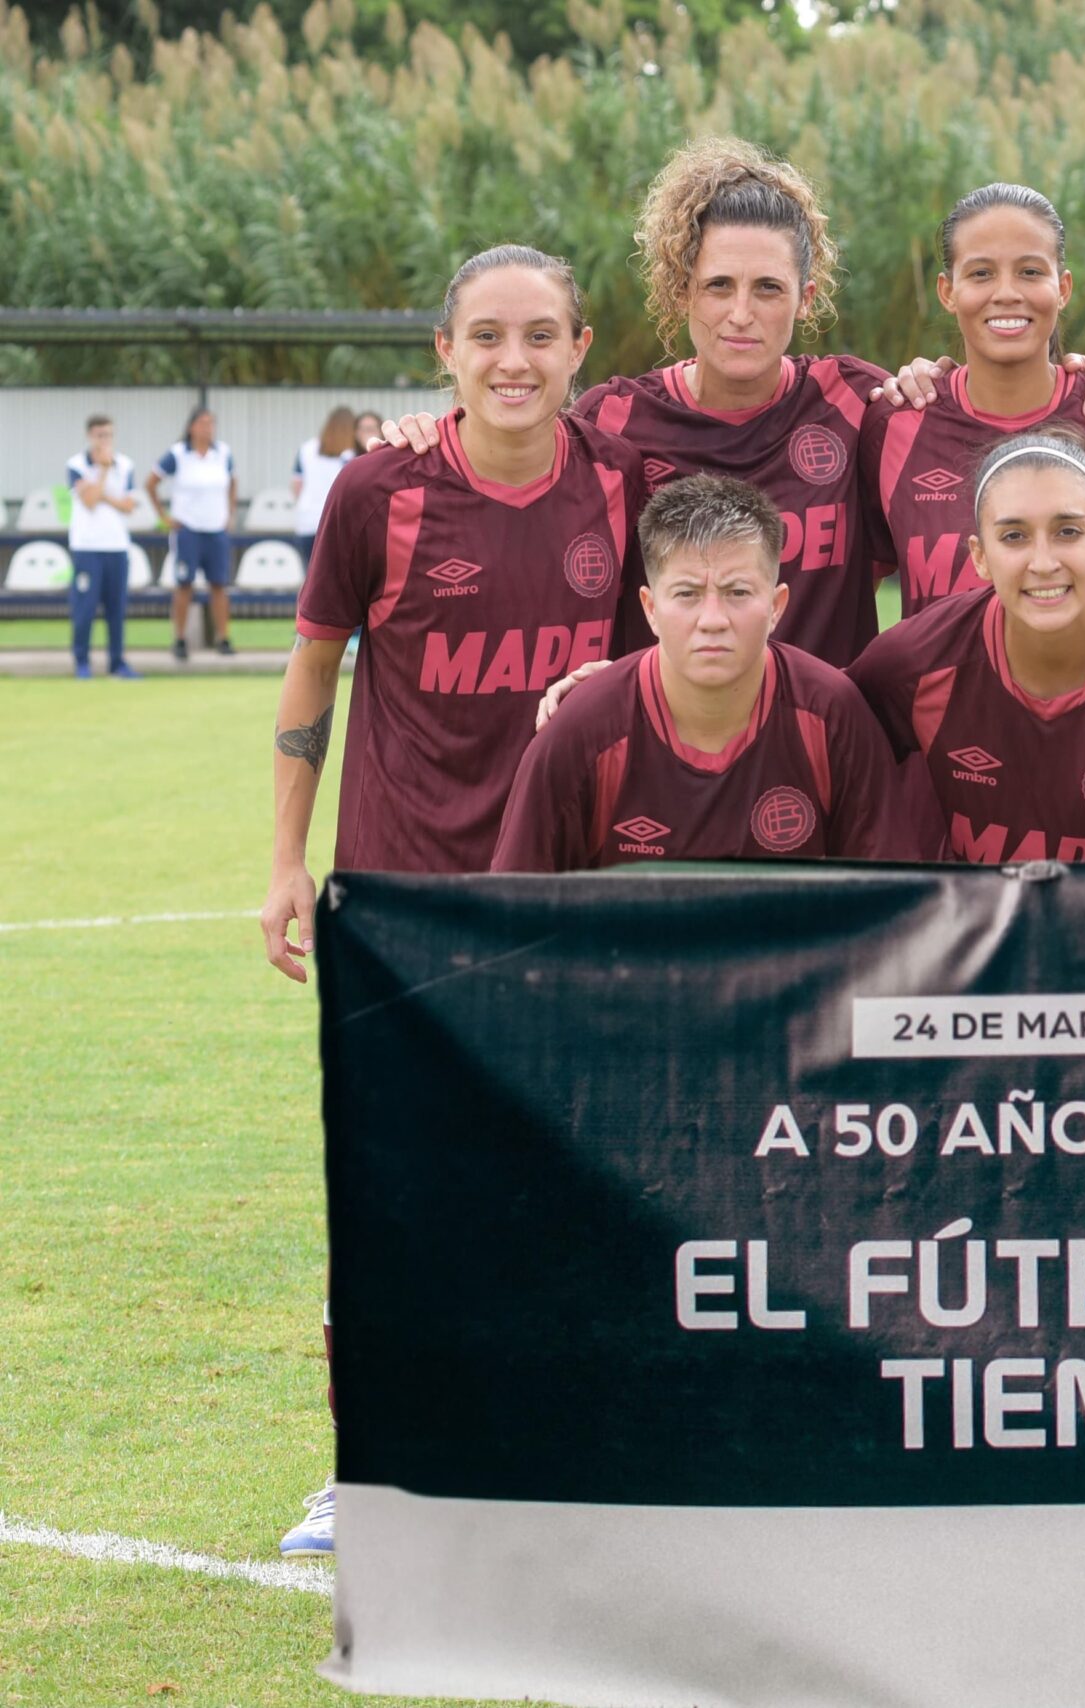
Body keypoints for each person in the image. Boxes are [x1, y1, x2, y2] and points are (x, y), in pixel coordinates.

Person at [257, 243, 647, 1560]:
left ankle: (561, 1446)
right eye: (487, 336)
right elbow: (310, 684)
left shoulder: (622, 483)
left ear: (581, 348)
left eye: (540, 334)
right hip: (402, 892)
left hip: (564, 897)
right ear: (445, 352)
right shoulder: (380, 490)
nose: (514, 360)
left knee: (570, 1179)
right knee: (388, 1187)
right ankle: (362, 1467)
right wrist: (280, 865)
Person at [386, 139, 1085, 670]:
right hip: (666, 775)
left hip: (828, 772)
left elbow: (982, 415)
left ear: (806, 297)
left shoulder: (864, 403)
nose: (741, 314)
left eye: (768, 289)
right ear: (680, 290)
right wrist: (441, 427)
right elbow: (512, 474)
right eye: (718, 286)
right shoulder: (613, 421)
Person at [849, 428, 1085, 862]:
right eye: (1014, 536)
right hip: (977, 924)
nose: (1044, 563)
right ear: (979, 556)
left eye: (1068, 531)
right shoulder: (911, 662)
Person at [493, 475, 897, 869]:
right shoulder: (581, 733)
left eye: (737, 592)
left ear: (776, 606)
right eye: (687, 594)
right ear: (650, 609)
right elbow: (511, 914)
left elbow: (893, 909)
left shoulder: (834, 716)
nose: (712, 619)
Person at [858, 183, 1085, 617]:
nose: (1006, 292)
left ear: (1063, 288)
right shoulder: (893, 424)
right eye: (981, 273)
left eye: (1030, 271)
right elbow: (850, 608)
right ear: (947, 291)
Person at [146, 405, 238, 660]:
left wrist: (229, 513)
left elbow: (232, 482)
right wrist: (164, 517)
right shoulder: (178, 454)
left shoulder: (223, 453)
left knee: (219, 585)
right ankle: (180, 638)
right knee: (184, 584)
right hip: (188, 530)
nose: (207, 428)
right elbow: (151, 482)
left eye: (211, 423)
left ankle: (224, 637)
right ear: (191, 427)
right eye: (202, 423)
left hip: (215, 530)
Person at [65, 413, 141, 679]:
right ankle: (82, 662)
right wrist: (104, 472)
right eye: (99, 435)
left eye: (108, 434)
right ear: (90, 436)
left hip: (116, 547)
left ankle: (117, 663)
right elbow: (88, 502)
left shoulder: (126, 465)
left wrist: (101, 493)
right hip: (87, 547)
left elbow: (129, 506)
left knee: (116, 609)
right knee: (85, 608)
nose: (104, 440)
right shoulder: (76, 465)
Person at [292, 406, 361, 564]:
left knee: (310, 578)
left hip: (308, 521)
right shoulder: (353, 454)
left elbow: (297, 485)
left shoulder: (307, 449)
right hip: (338, 524)